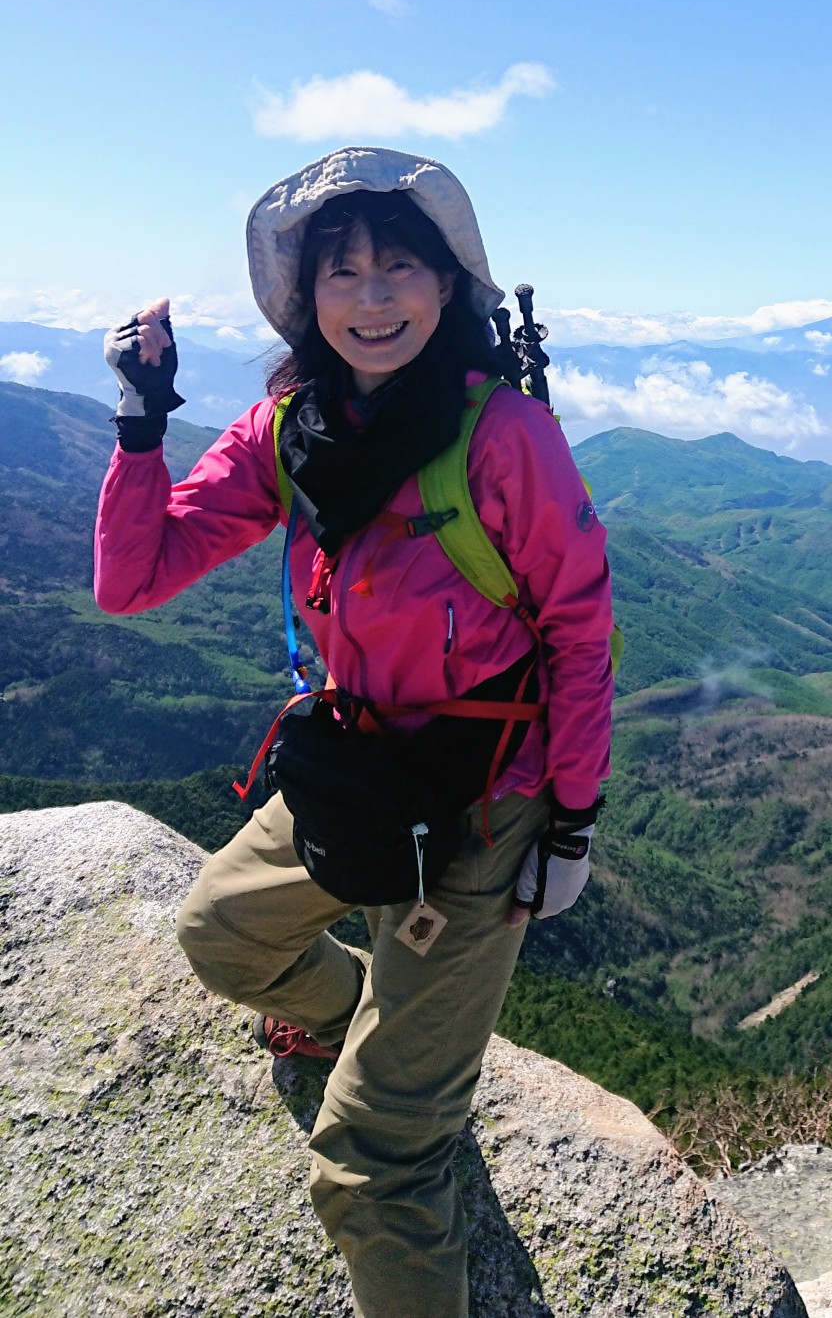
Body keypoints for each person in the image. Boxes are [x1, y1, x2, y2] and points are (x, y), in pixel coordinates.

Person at [94, 146, 614, 1318]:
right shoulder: (294, 428)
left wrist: (571, 824)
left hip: (484, 804)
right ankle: (371, 1021)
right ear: (306, 299)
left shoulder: (503, 439)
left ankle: (402, 1080)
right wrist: (140, 423)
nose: (371, 298)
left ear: (446, 288)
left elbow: (581, 635)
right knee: (223, 936)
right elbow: (135, 581)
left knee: (371, 1165)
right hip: (362, 769)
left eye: (399, 268)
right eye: (342, 272)